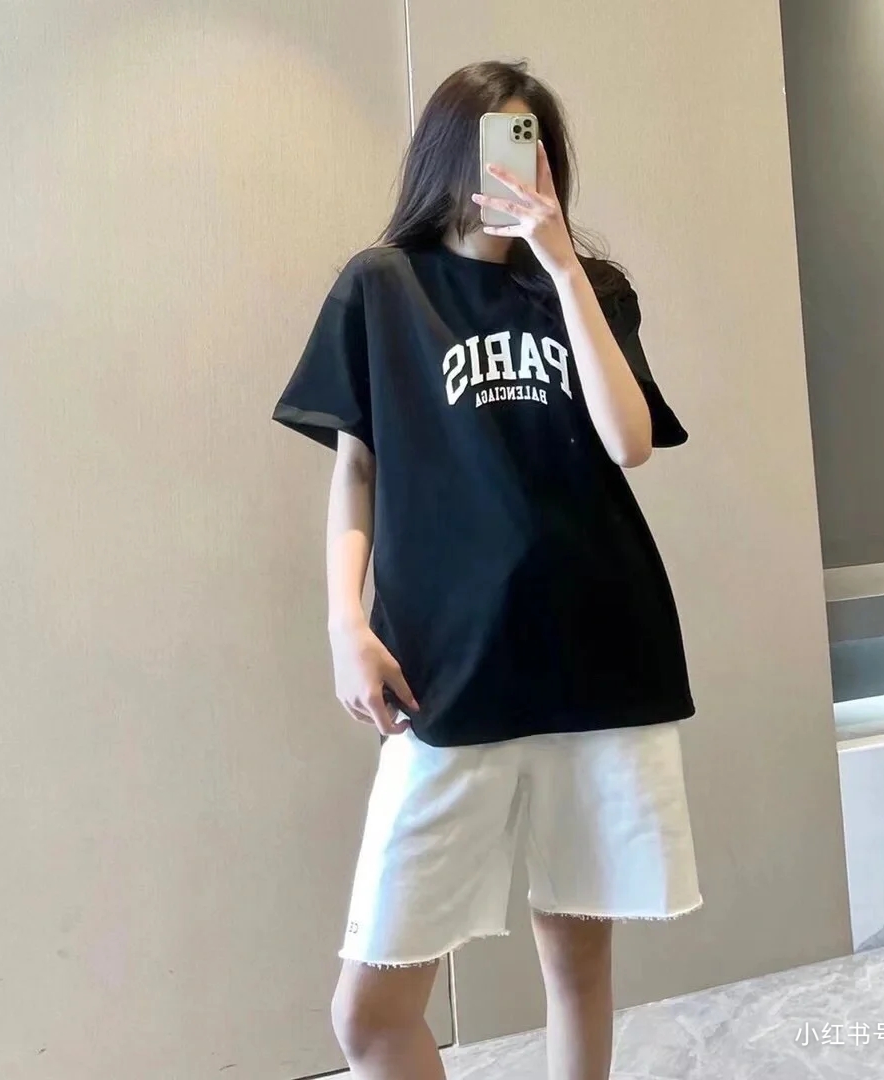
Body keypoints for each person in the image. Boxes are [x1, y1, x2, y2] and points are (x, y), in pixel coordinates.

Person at [273, 59, 701, 1080]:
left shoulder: (591, 289)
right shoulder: (383, 287)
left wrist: (561, 267)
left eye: (529, 145)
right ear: (446, 153)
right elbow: (358, 470)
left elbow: (629, 441)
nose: (511, 167)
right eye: (493, 143)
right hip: (447, 668)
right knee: (370, 1011)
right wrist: (344, 623)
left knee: (578, 960)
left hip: (596, 656)